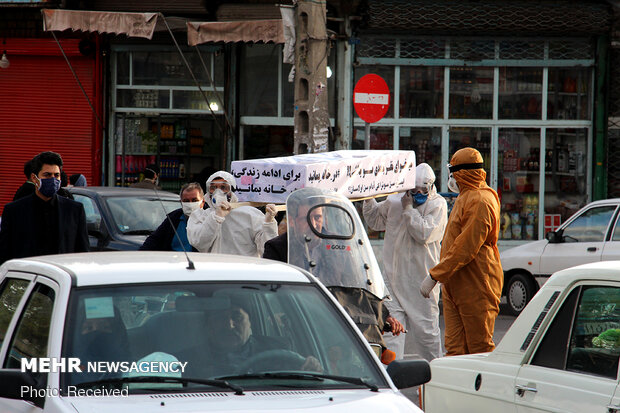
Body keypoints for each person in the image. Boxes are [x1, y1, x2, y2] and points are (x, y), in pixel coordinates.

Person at [264, 195, 404, 362]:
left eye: (318, 217)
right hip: (296, 322)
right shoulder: (277, 247)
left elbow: (358, 282)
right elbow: (270, 293)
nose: (314, 224)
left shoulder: (338, 244)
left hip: (336, 321)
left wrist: (384, 314)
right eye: (306, 219)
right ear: (293, 221)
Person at [420, 147, 503, 356]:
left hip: (477, 284)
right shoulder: (465, 197)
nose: (451, 178)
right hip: (455, 284)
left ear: (463, 173)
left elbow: (466, 246)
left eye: (453, 171)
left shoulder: (482, 200)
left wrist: (436, 274)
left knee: (478, 348)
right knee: (455, 349)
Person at [363, 163, 447, 362]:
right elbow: (375, 220)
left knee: (428, 340)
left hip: (421, 285)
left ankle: (433, 385)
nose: (418, 193)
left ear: (431, 187)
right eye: (414, 190)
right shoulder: (395, 200)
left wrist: (408, 209)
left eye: (423, 191)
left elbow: (424, 233)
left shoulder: (437, 205)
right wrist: (368, 195)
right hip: (393, 281)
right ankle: (392, 383)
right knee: (392, 336)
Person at [0, 151, 90, 265]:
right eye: (47, 175)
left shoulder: (74, 210)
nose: (53, 179)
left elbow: (82, 252)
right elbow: (4, 253)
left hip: (61, 277)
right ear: (34, 178)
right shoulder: (14, 211)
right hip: (28, 276)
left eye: (56, 175)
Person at [186, 305, 322, 377]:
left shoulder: (280, 350)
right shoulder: (186, 360)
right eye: (220, 318)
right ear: (209, 326)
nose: (229, 325)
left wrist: (312, 368)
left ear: (250, 322)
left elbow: (300, 382)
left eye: (237, 316)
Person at [187, 171, 278, 257]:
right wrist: (216, 218)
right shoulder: (200, 216)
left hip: (241, 271)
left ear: (232, 191)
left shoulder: (250, 214)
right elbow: (199, 243)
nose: (217, 192)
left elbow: (266, 249)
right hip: (213, 270)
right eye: (213, 188)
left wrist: (269, 223)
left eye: (223, 187)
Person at [140, 182, 205, 251]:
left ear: (203, 202)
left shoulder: (211, 218)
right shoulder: (173, 219)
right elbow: (154, 240)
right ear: (181, 202)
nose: (190, 204)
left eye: (194, 200)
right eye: (186, 201)